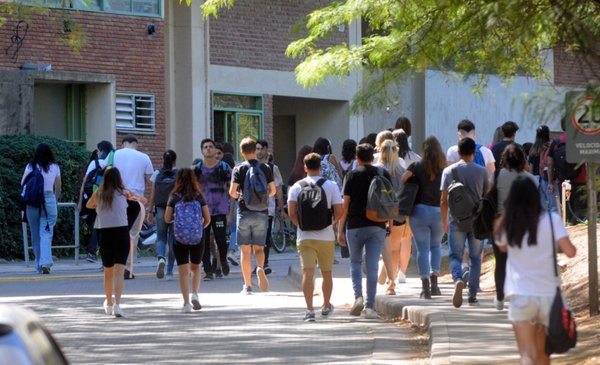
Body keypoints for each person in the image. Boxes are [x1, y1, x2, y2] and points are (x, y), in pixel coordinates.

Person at [495, 177, 576, 365]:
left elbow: (502, 246)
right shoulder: (552, 219)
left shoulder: (509, 223)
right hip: (548, 295)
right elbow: (571, 252)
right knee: (543, 355)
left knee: (526, 354)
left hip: (521, 295)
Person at [287, 153, 344, 321]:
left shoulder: (296, 187)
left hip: (304, 237)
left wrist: (301, 225)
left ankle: (310, 310)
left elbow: (291, 213)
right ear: (321, 167)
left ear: (305, 168)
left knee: (307, 272)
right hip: (326, 236)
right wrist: (331, 223)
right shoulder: (331, 185)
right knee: (327, 273)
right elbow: (339, 211)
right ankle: (326, 306)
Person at [337, 143, 391, 319]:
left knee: (355, 262)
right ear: (372, 156)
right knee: (373, 264)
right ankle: (370, 307)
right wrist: (388, 223)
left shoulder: (351, 175)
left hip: (355, 226)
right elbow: (389, 202)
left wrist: (339, 229)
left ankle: (358, 297)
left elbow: (345, 206)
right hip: (377, 226)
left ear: (357, 158)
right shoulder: (383, 173)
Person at [86, 168, 144, 317]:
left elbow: (88, 205)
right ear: (119, 179)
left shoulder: (99, 194)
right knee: (119, 271)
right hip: (122, 233)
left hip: (105, 234)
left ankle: (109, 303)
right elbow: (142, 201)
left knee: (108, 273)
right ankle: (118, 304)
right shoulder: (124, 193)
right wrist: (129, 194)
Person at [440, 137, 489, 307]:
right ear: (474, 153)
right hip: (476, 221)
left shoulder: (448, 171)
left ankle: (458, 280)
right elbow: (486, 197)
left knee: (455, 255)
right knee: (475, 258)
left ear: (458, 153)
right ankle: (473, 294)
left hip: (457, 220)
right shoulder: (482, 171)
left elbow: (443, 200)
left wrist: (444, 220)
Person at [493, 144, 539, 310]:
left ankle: (499, 298)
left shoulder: (497, 175)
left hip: (500, 223)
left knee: (500, 262)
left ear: (504, 158)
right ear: (522, 159)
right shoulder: (530, 179)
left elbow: (488, 194)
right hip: (523, 224)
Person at [229, 137, 276, 294]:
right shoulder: (266, 168)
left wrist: (241, 196)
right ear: (255, 150)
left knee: (245, 251)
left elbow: (232, 192)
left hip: (244, 212)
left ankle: (247, 286)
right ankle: (260, 268)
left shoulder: (238, 169)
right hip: (262, 213)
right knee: (259, 248)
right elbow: (273, 191)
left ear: (242, 152)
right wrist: (262, 198)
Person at [401, 136, 446, 299]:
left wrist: (414, 179)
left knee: (422, 249)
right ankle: (435, 284)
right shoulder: (444, 167)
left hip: (419, 211)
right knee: (436, 247)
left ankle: (425, 287)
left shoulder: (417, 165)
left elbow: (403, 178)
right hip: (438, 212)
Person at [165, 168, 211, 313]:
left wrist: (178, 223)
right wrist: (198, 228)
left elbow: (167, 219)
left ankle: (186, 304)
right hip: (197, 237)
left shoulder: (174, 197)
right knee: (196, 267)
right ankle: (195, 294)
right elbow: (208, 219)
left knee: (183, 271)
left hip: (179, 238)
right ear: (193, 180)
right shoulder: (199, 196)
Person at [111, 135, 154, 279]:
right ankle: (128, 268)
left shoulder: (114, 154)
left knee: (116, 231)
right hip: (137, 200)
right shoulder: (144, 157)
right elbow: (150, 180)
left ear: (123, 144)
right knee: (132, 235)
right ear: (135, 144)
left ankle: (115, 266)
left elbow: (105, 174)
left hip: (117, 198)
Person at [194, 138, 234, 280]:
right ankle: (208, 270)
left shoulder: (224, 168)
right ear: (202, 150)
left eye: (210, 146)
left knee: (221, 240)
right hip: (203, 212)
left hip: (220, 211)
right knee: (203, 242)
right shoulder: (197, 169)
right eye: (205, 147)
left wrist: (231, 213)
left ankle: (222, 260)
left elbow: (232, 192)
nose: (208, 149)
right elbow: (191, 191)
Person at [374, 139, 408, 295]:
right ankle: (391, 281)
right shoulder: (402, 171)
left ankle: (386, 273)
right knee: (395, 249)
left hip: (378, 214)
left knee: (382, 247)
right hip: (398, 214)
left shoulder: (376, 170)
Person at [22, 143, 61, 275]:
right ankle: (45, 263)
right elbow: (58, 187)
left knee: (35, 234)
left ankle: (39, 264)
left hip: (32, 201)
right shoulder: (55, 167)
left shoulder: (30, 166)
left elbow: (23, 184)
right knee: (46, 233)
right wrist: (54, 200)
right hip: (49, 200)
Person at [546, 117, 587, 224]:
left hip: (563, 181)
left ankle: (569, 227)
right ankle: (577, 228)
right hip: (581, 180)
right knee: (580, 208)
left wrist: (550, 182)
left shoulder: (555, 142)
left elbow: (550, 164)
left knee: (566, 207)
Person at [256, 139, 285, 274]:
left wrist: (281, 208)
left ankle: (264, 263)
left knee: (266, 236)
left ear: (266, 150)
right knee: (255, 237)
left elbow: (278, 189)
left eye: (261, 148)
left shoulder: (273, 168)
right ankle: (258, 263)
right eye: (257, 149)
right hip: (253, 208)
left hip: (268, 207)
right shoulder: (250, 166)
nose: (259, 151)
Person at [149, 150, 178, 280]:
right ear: (175, 160)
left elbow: (153, 194)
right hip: (174, 209)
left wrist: (150, 210)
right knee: (173, 240)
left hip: (160, 208)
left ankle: (161, 257)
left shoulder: (157, 174)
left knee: (161, 237)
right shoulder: (179, 174)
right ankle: (169, 272)